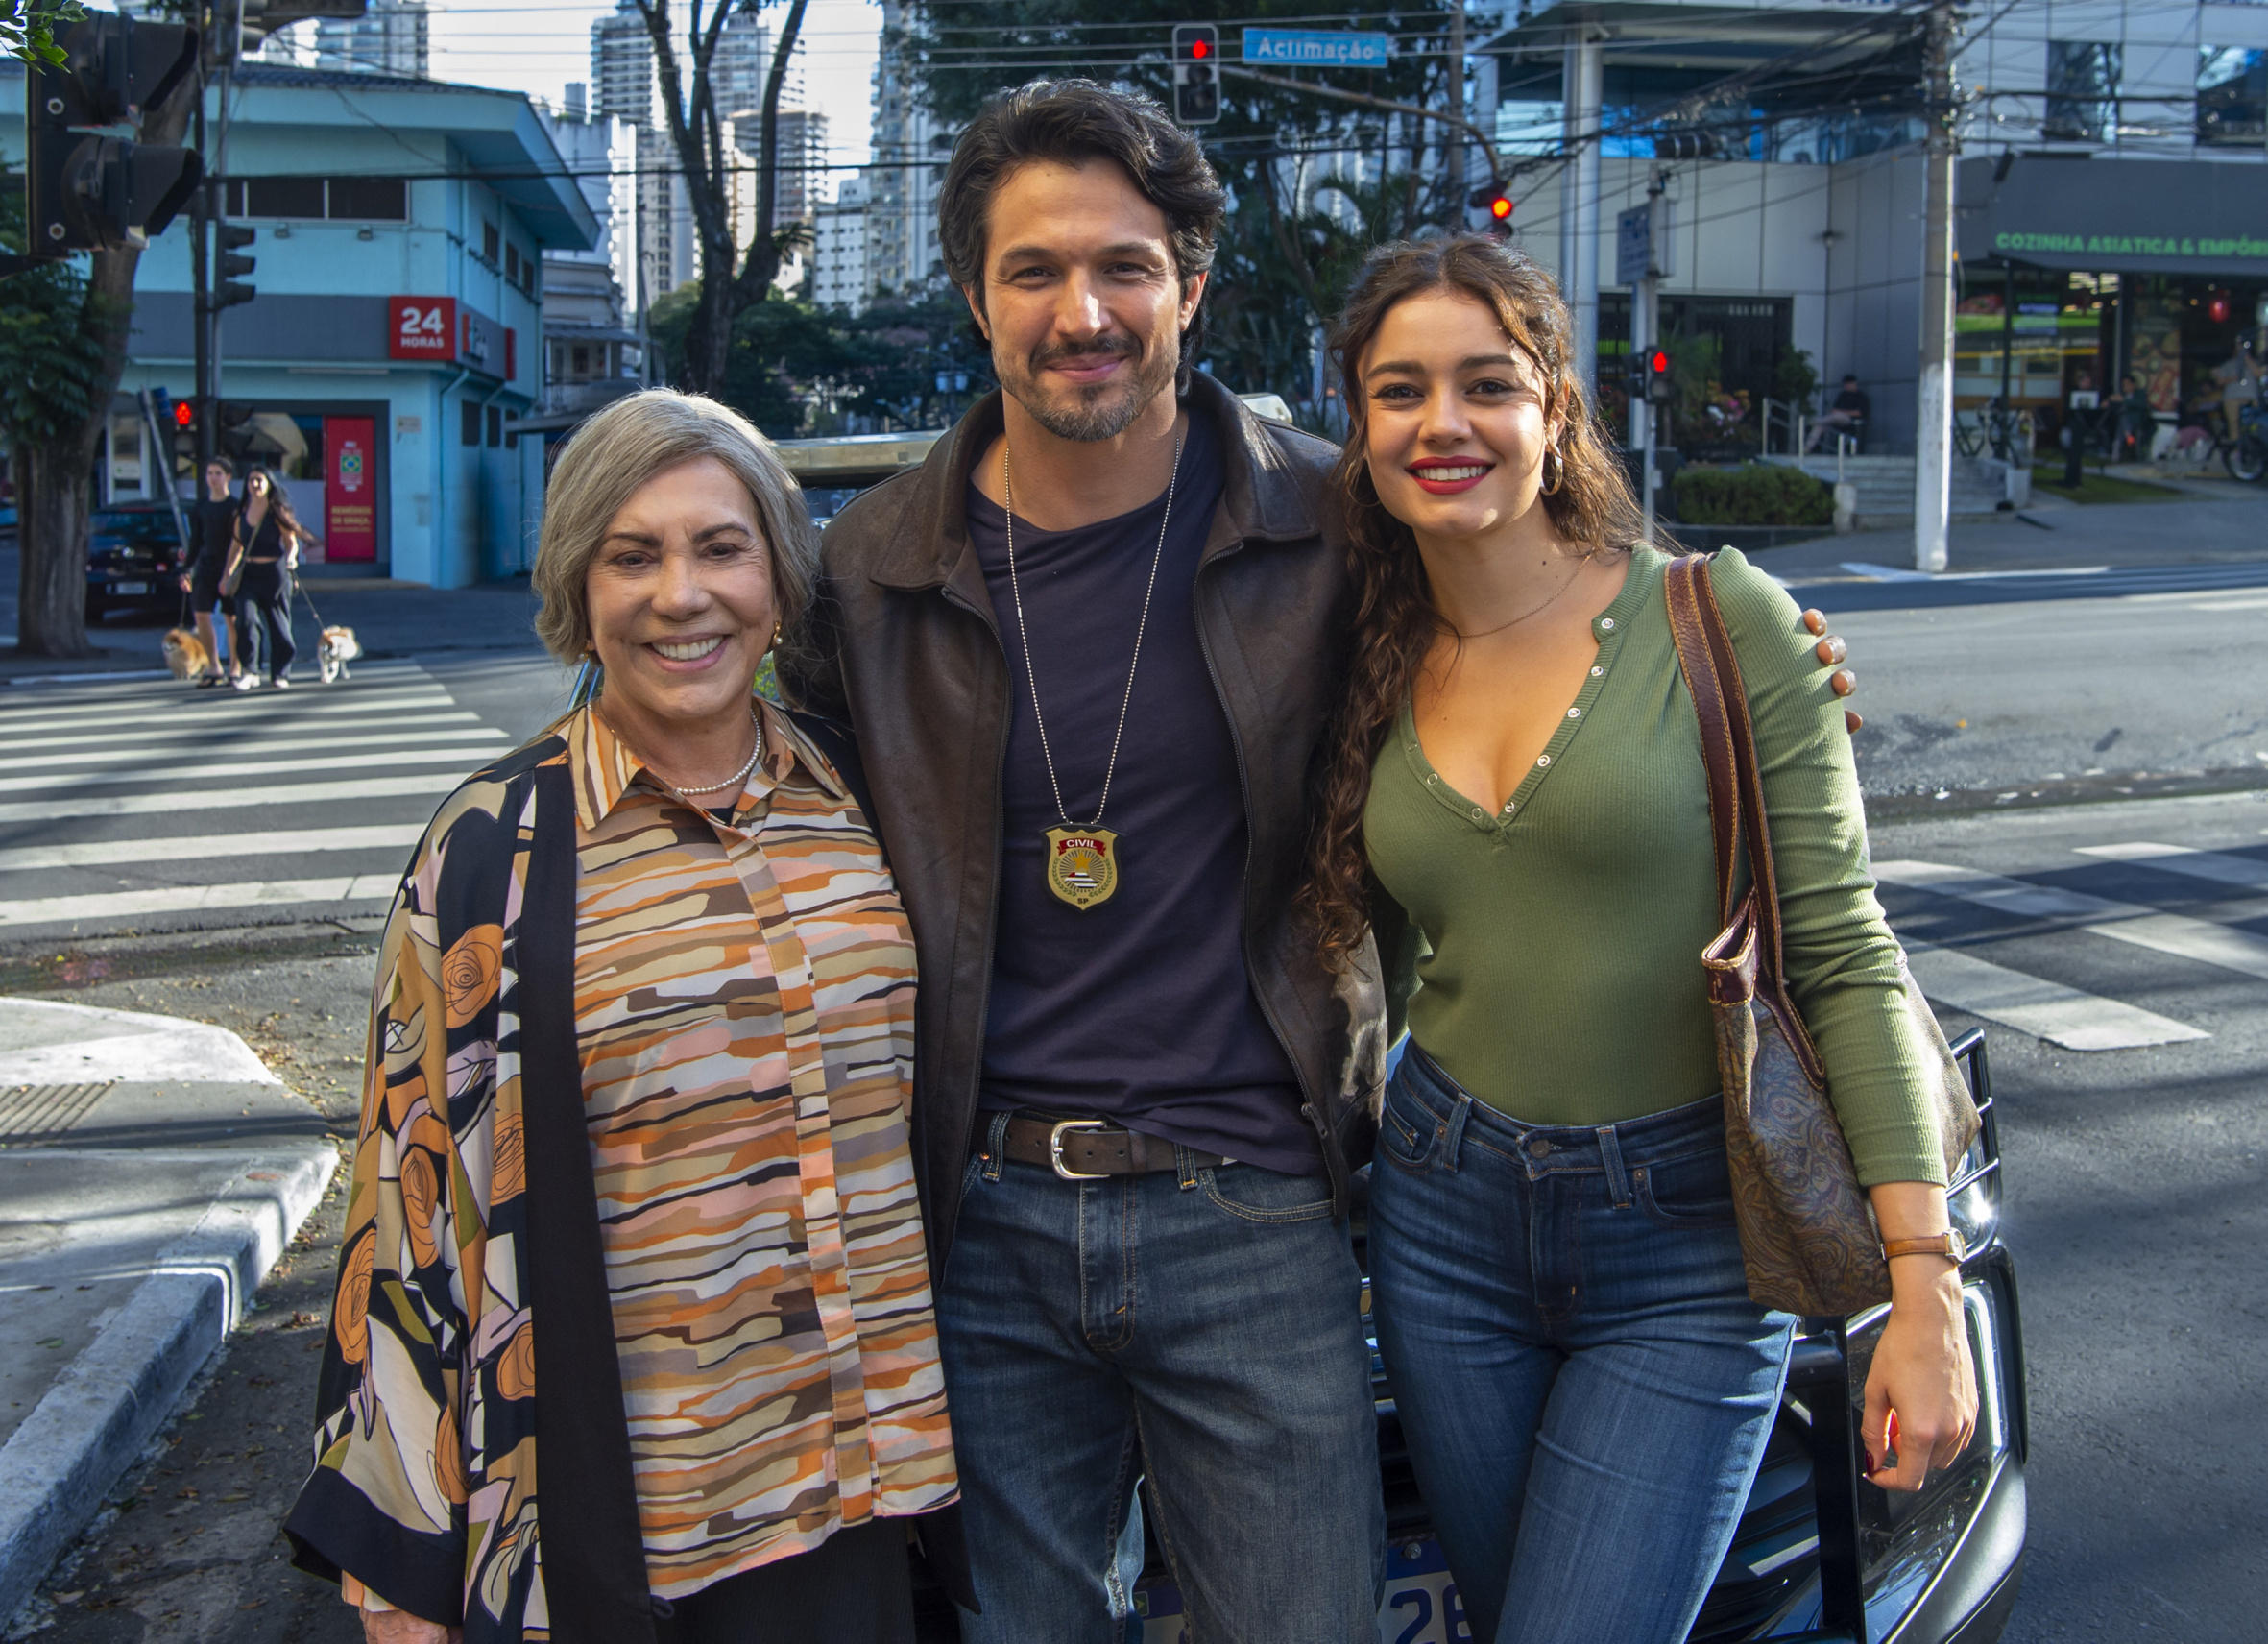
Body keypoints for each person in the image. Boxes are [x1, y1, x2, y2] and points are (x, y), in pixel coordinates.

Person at [1302, 233, 1978, 1644]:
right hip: (1438, 1217)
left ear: (1553, 409)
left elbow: (1841, 954)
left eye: (1486, 384)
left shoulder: (1717, 621)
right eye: (1397, 390)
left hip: (1685, 1242)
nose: (1442, 425)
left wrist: (1923, 1288)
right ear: (1354, 424)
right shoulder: (1348, 651)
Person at [284, 390, 962, 1644]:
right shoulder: (492, 850)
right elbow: (406, 1205)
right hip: (625, 1523)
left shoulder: (869, 795)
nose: (680, 595)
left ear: (777, 574)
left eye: (720, 547)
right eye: (631, 554)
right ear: (577, 587)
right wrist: (399, 1582)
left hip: (870, 1501)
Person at [228, 466, 317, 689]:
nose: (255, 485)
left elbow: (290, 542)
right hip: (248, 574)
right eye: (251, 481)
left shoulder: (277, 511)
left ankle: (280, 673)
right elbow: (236, 546)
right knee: (246, 621)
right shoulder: (242, 513)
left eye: (259, 480)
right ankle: (250, 670)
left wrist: (291, 559)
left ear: (268, 484)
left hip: (274, 574)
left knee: (279, 624)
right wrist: (227, 573)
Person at [175, 455, 239, 685]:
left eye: (218, 474)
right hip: (205, 566)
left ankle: (235, 666)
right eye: (210, 474)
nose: (213, 478)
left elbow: (240, 540)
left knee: (231, 617)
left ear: (228, 477)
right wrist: (186, 569)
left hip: (229, 567)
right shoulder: (200, 507)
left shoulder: (236, 506)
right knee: (201, 614)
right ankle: (213, 666)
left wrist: (232, 570)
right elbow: (195, 542)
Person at [1804, 372, 1870, 451]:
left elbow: (1859, 413)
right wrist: (1840, 412)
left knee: (1836, 416)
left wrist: (1843, 412)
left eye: (1848, 384)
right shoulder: (1843, 395)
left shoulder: (1861, 396)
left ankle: (1816, 421)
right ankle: (1807, 449)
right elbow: (1834, 410)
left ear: (1853, 383)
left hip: (1850, 421)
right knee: (1819, 426)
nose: (1846, 386)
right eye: (1845, 384)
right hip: (1835, 421)